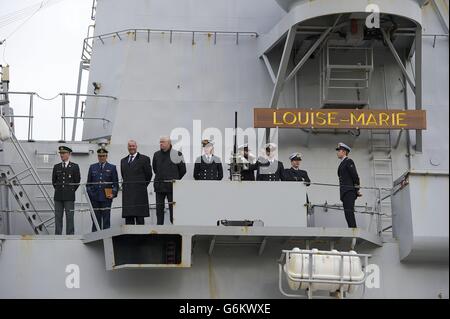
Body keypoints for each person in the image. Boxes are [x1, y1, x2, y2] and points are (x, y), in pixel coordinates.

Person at [153, 136, 186, 225]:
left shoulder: (177, 154)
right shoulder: (156, 155)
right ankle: (159, 226)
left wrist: (175, 180)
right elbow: (155, 169)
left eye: (163, 142)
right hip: (159, 186)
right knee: (159, 209)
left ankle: (174, 226)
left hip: (172, 187)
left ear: (169, 143)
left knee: (173, 209)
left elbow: (183, 170)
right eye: (160, 142)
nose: (161, 144)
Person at [120, 140, 152, 225]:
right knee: (129, 219)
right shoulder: (123, 161)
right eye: (130, 146)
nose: (131, 148)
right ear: (128, 147)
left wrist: (141, 186)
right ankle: (130, 238)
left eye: (133, 146)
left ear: (136, 147)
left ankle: (140, 238)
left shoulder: (144, 159)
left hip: (139, 194)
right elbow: (124, 176)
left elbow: (149, 175)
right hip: (128, 194)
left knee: (140, 219)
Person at [86, 148, 119, 232]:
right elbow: (88, 184)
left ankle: (106, 237)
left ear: (106, 156)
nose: (101, 158)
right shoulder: (92, 167)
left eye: (103, 156)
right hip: (94, 197)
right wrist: (90, 194)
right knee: (95, 220)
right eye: (100, 156)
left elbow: (115, 184)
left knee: (106, 219)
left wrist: (113, 194)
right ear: (98, 156)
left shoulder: (112, 167)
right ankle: (95, 237)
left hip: (106, 198)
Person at [52, 146, 80, 235]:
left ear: (68, 154)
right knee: (58, 217)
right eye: (61, 153)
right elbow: (54, 181)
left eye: (63, 153)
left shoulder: (75, 167)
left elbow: (77, 181)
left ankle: (70, 235)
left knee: (70, 217)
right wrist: (60, 190)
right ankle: (58, 235)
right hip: (58, 196)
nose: (62, 155)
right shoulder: (56, 167)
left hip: (69, 196)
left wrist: (70, 191)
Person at [336, 142, 361, 228]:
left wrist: (357, 189)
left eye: (339, 151)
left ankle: (353, 228)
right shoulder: (342, 163)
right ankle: (351, 228)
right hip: (344, 192)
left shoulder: (348, 161)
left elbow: (355, 176)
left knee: (349, 211)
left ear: (344, 152)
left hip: (349, 191)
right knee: (347, 212)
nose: (337, 152)